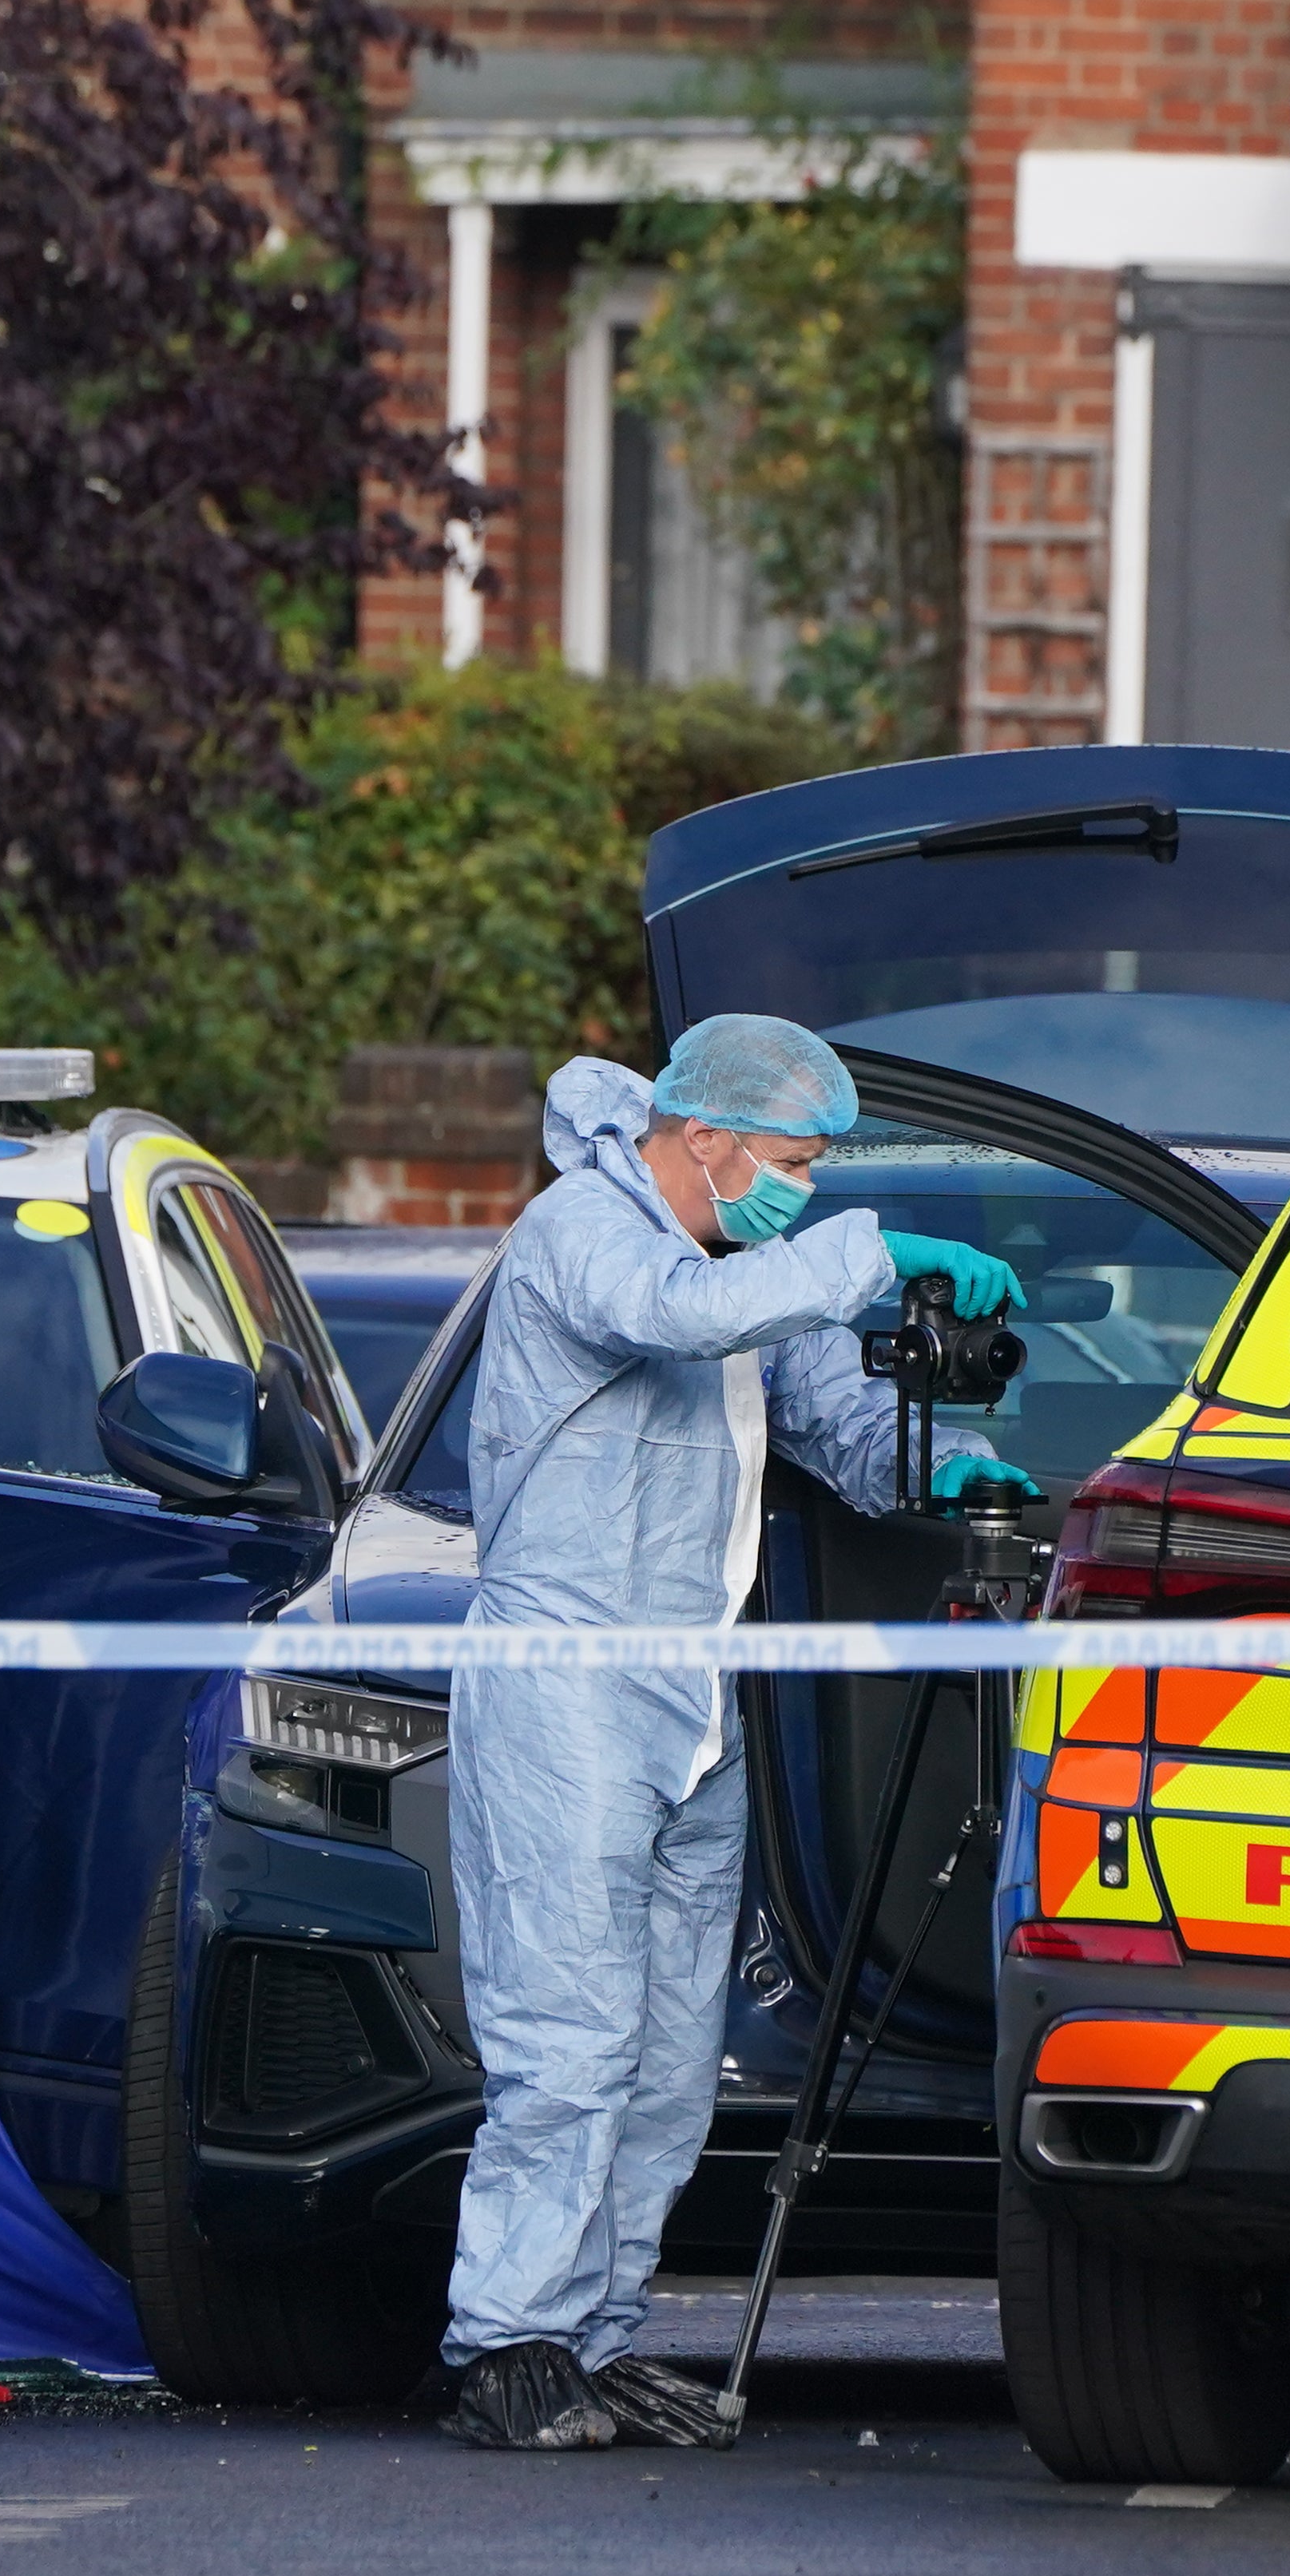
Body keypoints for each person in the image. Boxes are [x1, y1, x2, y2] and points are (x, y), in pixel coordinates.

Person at [440, 1017, 1039, 2452]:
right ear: (700, 1134)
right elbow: (677, 1317)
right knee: (567, 2035)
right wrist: (872, 1252)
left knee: (664, 2051)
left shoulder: (741, 1272)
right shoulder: (583, 1234)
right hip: (567, 1681)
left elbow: (841, 1430)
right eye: (791, 1160)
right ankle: (504, 2337)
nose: (803, 1185)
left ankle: (597, 2333)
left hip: (693, 1695)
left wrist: (954, 1462)